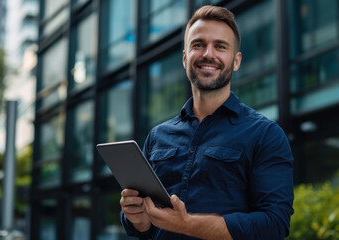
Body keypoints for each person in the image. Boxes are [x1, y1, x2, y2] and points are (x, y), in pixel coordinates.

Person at [119, 5, 294, 240]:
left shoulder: (266, 135)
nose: (208, 54)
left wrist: (187, 224)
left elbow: (274, 225)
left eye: (220, 46)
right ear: (185, 58)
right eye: (198, 45)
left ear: (236, 61)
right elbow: (147, 228)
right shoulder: (158, 136)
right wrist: (138, 220)